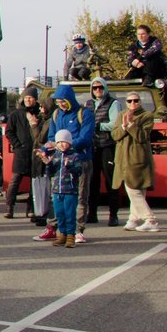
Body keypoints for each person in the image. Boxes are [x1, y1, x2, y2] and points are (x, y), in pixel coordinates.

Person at [37, 85, 94, 243]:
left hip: (80, 160)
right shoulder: (56, 115)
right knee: (56, 195)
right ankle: (55, 228)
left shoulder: (85, 113)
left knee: (81, 196)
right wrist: (45, 150)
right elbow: (51, 137)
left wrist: (63, 144)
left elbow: (85, 138)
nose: (61, 104)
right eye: (58, 102)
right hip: (58, 161)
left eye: (63, 101)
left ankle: (78, 230)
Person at [114, 93, 159, 232]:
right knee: (135, 189)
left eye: (135, 100)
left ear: (140, 102)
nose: (132, 103)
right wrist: (123, 126)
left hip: (138, 158)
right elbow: (114, 135)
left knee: (133, 188)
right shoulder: (121, 114)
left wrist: (131, 126)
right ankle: (133, 218)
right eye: (129, 100)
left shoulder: (147, 116)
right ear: (126, 102)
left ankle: (150, 219)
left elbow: (143, 136)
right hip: (122, 157)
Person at [86, 78, 122, 228]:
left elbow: (115, 123)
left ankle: (113, 215)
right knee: (92, 181)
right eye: (95, 88)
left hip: (107, 146)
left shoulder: (113, 103)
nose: (98, 90)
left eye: (100, 87)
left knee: (110, 181)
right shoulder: (88, 104)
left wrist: (98, 125)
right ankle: (92, 213)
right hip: (92, 147)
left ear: (105, 88)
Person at [38, 130, 83, 248]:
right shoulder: (56, 156)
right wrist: (47, 163)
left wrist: (70, 167)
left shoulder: (75, 156)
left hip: (70, 190)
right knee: (59, 214)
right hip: (57, 190)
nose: (62, 144)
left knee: (69, 214)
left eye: (65, 142)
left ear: (69, 142)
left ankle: (70, 236)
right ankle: (62, 235)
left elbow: (78, 171)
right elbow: (50, 173)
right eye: (59, 142)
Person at [4, 88, 40, 219]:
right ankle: (9, 207)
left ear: (35, 99)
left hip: (35, 153)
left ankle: (30, 208)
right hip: (21, 152)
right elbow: (9, 131)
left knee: (33, 183)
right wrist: (17, 145)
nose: (28, 100)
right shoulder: (16, 114)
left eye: (30, 98)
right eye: (26, 98)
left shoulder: (40, 114)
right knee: (14, 181)